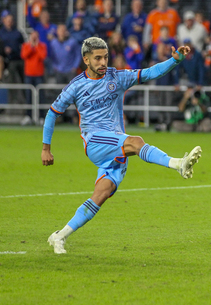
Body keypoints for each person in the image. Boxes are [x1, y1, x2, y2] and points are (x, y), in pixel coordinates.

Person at [44, 37, 201, 254]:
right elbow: (52, 113)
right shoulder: (76, 86)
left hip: (116, 145)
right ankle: (178, 164)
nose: (103, 62)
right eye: (97, 58)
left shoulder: (117, 77)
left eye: (105, 57)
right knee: (136, 142)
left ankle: (59, 236)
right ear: (86, 59)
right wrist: (46, 148)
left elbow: (149, 73)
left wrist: (175, 60)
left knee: (100, 194)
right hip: (96, 142)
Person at [20, 31, 47, 125]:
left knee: (41, 96)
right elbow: (24, 55)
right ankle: (28, 116)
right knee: (28, 96)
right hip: (29, 74)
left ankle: (41, 117)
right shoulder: (26, 45)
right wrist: (31, 46)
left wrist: (36, 46)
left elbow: (42, 56)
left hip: (39, 74)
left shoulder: (42, 46)